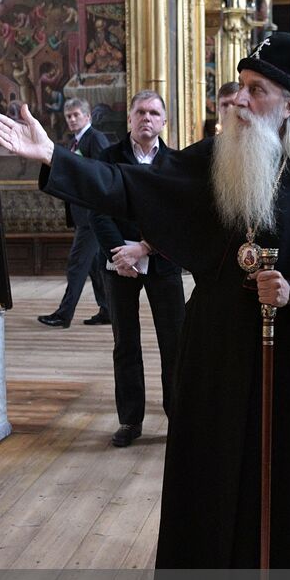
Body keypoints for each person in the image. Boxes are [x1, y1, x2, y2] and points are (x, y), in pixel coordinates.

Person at [0, 32, 290, 580]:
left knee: (282, 479)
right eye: (240, 88)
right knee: (210, 471)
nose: (239, 100)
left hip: (287, 353)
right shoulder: (211, 160)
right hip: (215, 345)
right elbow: (130, 186)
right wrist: (53, 158)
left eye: (256, 91)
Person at [91, 90, 184, 447]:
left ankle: (178, 417)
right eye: (140, 112)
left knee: (174, 344)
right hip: (120, 266)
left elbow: (179, 217)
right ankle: (130, 421)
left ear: (163, 122)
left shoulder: (174, 163)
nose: (146, 118)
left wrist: (145, 249)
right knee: (125, 343)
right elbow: (96, 208)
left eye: (154, 113)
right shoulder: (109, 157)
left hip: (162, 262)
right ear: (130, 119)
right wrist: (121, 255)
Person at [37, 98, 109, 328]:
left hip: (92, 215)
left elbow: (103, 173)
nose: (72, 119)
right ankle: (108, 310)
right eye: (68, 116)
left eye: (76, 115)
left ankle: (63, 314)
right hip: (82, 214)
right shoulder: (73, 142)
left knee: (76, 264)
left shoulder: (95, 139)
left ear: (87, 116)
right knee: (94, 266)